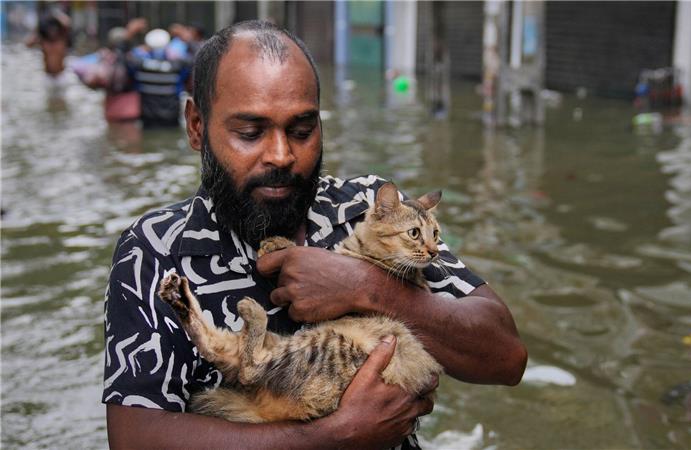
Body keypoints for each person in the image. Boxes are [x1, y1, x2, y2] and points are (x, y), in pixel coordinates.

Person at [103, 20, 527, 449]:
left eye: (302, 130)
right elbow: (135, 438)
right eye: (250, 133)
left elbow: (506, 357)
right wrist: (333, 436)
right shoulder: (155, 249)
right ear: (196, 126)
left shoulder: (365, 209)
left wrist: (367, 287)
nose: (282, 154)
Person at [128, 28, 192, 128]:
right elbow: (195, 59)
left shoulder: (138, 65)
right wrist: (188, 38)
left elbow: (124, 58)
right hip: (172, 116)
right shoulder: (178, 66)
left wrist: (130, 33)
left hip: (147, 117)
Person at [25, 7, 71, 95]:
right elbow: (27, 44)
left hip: (61, 77)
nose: (52, 32)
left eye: (54, 29)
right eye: (50, 29)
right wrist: (38, 29)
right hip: (47, 77)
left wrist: (55, 14)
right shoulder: (43, 41)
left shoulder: (62, 39)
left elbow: (67, 22)